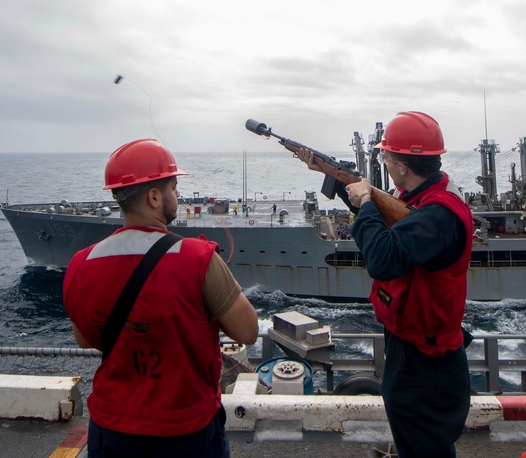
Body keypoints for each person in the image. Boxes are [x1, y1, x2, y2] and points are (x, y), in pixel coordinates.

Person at [63, 138, 259, 457]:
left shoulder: (81, 264)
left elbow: (85, 339)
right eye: (173, 187)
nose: (177, 195)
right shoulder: (198, 258)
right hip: (186, 430)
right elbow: (248, 330)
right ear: (154, 197)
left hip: (112, 428)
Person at [298, 111, 473, 458]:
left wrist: (364, 200)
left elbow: (383, 259)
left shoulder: (437, 214)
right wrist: (329, 173)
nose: (384, 161)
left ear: (402, 166)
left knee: (424, 446)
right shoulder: (418, 194)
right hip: (412, 346)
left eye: (385, 156)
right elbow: (383, 214)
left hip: (426, 362)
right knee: (416, 441)